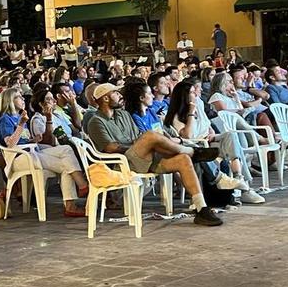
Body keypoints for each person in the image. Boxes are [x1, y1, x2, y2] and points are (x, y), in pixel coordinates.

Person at [86, 83, 223, 226]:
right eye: (116, 93)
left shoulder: (124, 114)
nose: (121, 96)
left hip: (144, 157)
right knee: (150, 136)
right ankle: (192, 151)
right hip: (124, 162)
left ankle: (201, 208)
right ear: (106, 99)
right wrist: (141, 144)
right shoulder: (95, 121)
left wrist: (145, 145)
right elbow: (110, 147)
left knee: (183, 160)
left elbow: (138, 136)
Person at [165, 78, 264, 203]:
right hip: (196, 146)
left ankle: (239, 180)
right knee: (218, 146)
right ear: (184, 96)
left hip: (209, 140)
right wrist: (191, 113)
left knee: (230, 136)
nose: (196, 93)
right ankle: (242, 188)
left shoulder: (199, 104)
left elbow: (207, 124)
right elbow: (187, 136)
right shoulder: (177, 116)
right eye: (191, 92)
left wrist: (211, 131)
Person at [0, 88, 88, 217]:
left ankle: (76, 196)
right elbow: (10, 144)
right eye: (18, 97)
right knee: (68, 165)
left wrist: (33, 139)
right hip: (19, 157)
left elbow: (23, 139)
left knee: (67, 152)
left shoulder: (20, 116)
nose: (23, 99)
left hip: (31, 151)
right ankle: (81, 187)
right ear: (10, 100)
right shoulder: (6, 119)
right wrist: (21, 125)